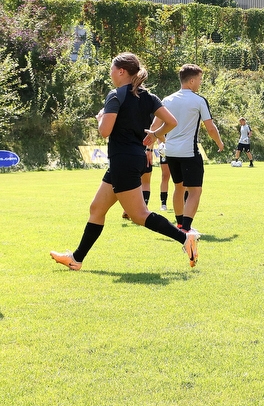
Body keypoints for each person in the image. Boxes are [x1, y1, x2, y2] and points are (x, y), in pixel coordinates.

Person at [50, 53, 201, 270]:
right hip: (134, 159)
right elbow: (172, 122)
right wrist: (155, 133)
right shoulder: (148, 96)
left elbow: (104, 132)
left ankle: (185, 238)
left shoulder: (115, 95)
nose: (110, 73)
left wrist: (101, 116)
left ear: (121, 71)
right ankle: (76, 258)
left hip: (123, 160)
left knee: (139, 214)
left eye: (112, 69)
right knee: (97, 208)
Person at [150, 64, 224, 235]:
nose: (200, 83)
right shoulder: (199, 100)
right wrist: (219, 143)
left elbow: (155, 126)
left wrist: (155, 141)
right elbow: (211, 128)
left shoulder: (167, 100)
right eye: (199, 79)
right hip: (189, 152)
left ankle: (179, 225)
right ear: (191, 81)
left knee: (178, 187)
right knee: (195, 191)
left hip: (171, 152)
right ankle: (186, 227)